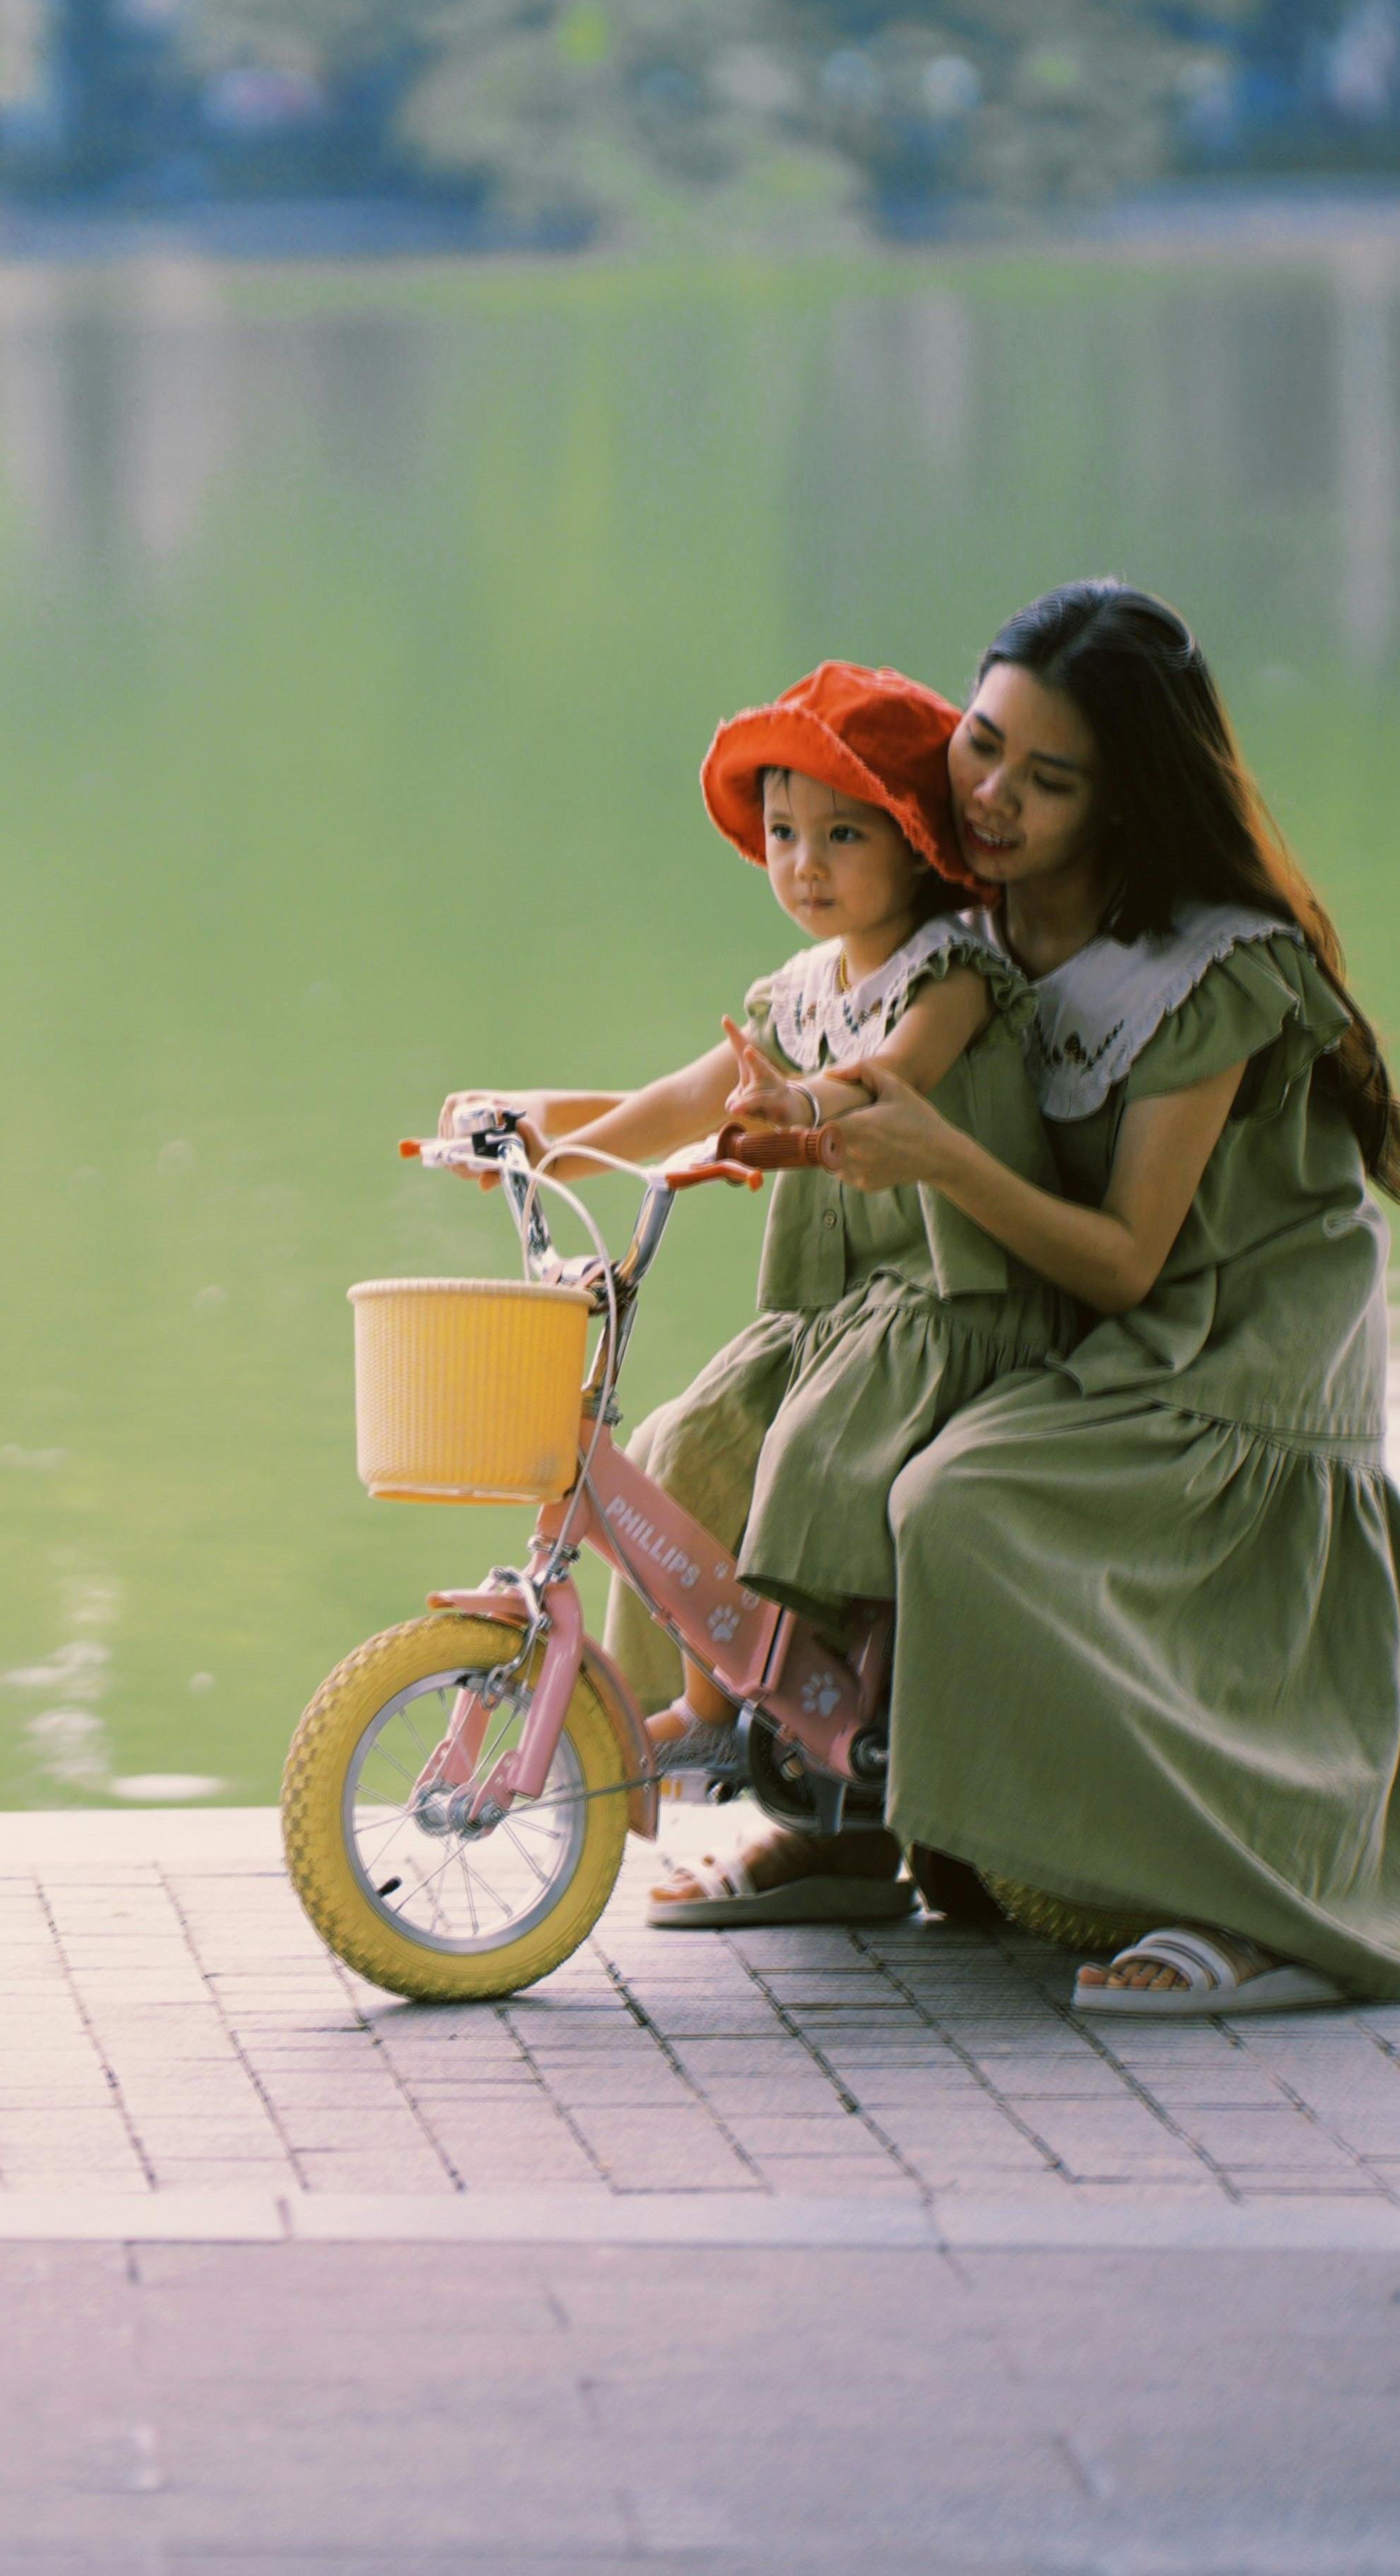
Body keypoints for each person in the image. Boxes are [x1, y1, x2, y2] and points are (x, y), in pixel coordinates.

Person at [808, 579, 1400, 2016]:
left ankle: (1243, 1906)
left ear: (1126, 803)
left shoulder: (1206, 967)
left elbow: (1133, 1257)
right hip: (1090, 1333)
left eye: (1049, 779)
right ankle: (859, 1827)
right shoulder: (970, 935)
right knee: (814, 1413)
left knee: (964, 1500)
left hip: (1231, 1359)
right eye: (984, 745)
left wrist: (940, 1157)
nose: (996, 795)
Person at [440, 661, 1071, 1928]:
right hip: (834, 1323)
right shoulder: (798, 990)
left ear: (914, 846)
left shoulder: (950, 975)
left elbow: (891, 1077)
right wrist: (543, 1141)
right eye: (785, 835)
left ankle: (731, 1721)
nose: (806, 865)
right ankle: (692, 1707)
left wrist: (805, 1106)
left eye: (844, 835)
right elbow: (683, 1099)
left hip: (947, 1313)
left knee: (811, 1464)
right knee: (680, 1446)